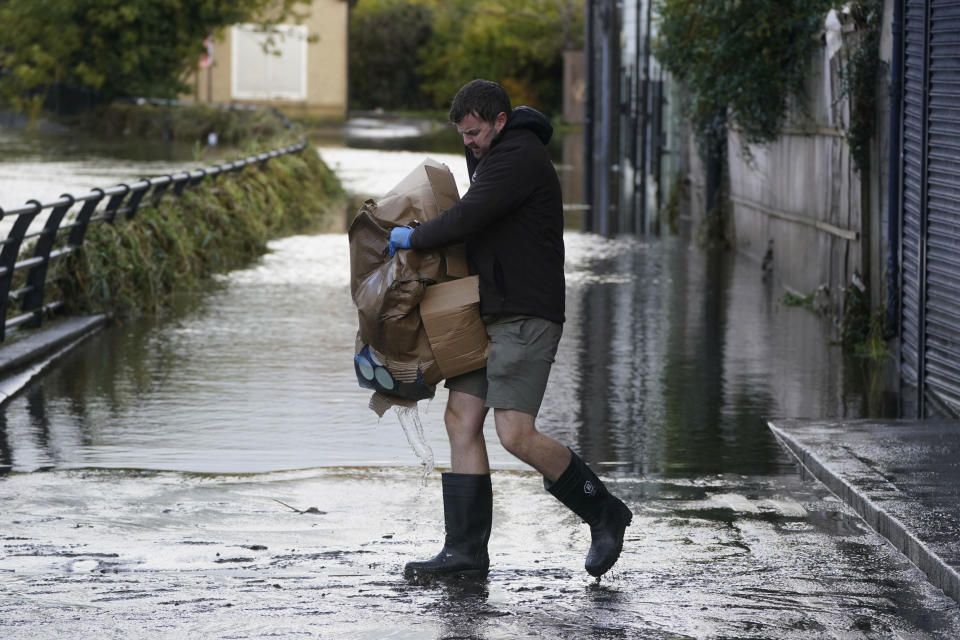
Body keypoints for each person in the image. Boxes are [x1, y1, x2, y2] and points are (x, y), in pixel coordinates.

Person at [388, 79, 632, 581]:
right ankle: (465, 553)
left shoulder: (518, 156)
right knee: (460, 418)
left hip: (527, 313)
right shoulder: (495, 153)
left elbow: (468, 217)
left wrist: (413, 237)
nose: (469, 143)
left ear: (499, 121)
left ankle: (605, 511)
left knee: (515, 433)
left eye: (475, 133)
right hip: (490, 311)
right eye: (463, 135)